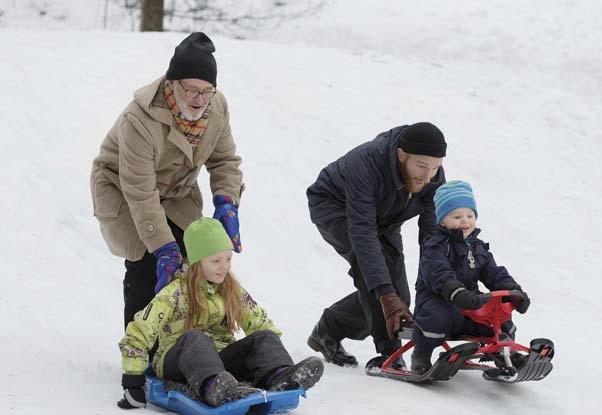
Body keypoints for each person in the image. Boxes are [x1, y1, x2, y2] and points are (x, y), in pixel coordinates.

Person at [90, 32, 244, 330]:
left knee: (198, 259)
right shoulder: (139, 120)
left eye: (207, 91)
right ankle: (140, 357)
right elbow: (140, 192)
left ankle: (186, 347)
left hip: (176, 193)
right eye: (191, 91)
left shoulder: (216, 107)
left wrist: (227, 203)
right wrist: (163, 247)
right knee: (150, 262)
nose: (200, 100)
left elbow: (225, 161)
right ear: (172, 85)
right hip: (123, 191)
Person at [117, 217, 324, 409]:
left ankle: (279, 377)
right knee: (195, 339)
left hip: (218, 361)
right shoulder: (174, 292)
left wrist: (272, 356)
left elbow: (258, 320)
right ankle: (212, 387)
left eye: (228, 259)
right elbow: (142, 329)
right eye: (216, 261)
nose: (224, 267)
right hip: (178, 360)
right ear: (197, 262)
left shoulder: (230, 288)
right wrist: (133, 376)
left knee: (264, 337)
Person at [305, 122, 447, 367]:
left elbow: (431, 234)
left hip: (385, 219)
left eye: (435, 167)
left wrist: (438, 280)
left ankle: (328, 329)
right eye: (422, 166)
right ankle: (389, 352)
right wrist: (385, 295)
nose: (428, 176)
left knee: (400, 296)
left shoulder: (432, 176)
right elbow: (362, 232)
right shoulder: (366, 162)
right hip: (336, 209)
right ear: (402, 155)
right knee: (375, 277)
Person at [410, 180, 531, 374]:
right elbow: (437, 272)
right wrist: (457, 292)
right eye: (456, 216)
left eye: (470, 215)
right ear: (442, 220)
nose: (465, 221)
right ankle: (421, 353)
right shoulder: (435, 245)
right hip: (439, 300)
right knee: (437, 315)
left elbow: (493, 272)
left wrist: (513, 290)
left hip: (470, 303)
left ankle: (505, 352)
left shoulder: (477, 246)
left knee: (499, 314)